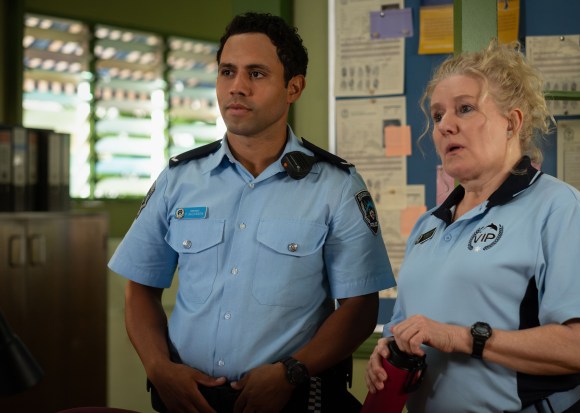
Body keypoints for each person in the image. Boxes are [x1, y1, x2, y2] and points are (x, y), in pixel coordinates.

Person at [108, 12, 396, 413]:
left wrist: (292, 371)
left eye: (256, 74)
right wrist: (158, 368)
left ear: (293, 87)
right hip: (187, 399)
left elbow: (360, 307)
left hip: (294, 400)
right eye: (227, 72)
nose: (237, 87)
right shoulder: (180, 179)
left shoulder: (336, 185)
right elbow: (140, 287)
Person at [365, 40, 580, 412]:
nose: (446, 125)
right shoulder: (428, 225)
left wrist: (465, 338)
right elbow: (406, 325)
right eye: (436, 116)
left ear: (512, 122)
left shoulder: (560, 209)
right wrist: (388, 347)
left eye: (464, 109)